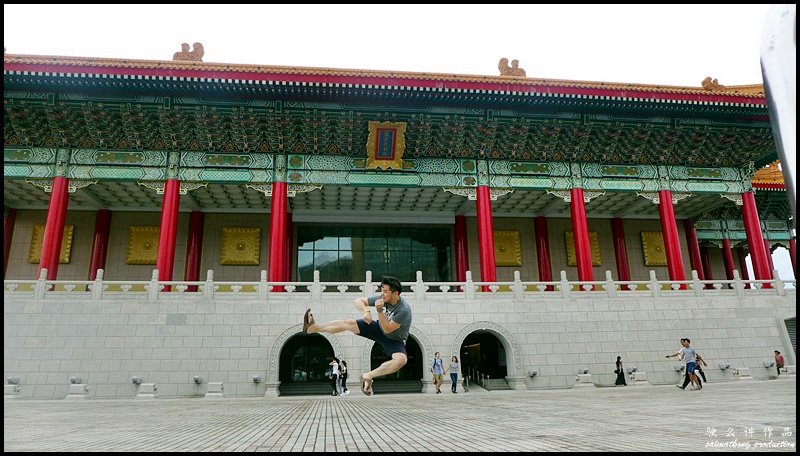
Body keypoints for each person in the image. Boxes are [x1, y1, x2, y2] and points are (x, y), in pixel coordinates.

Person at [302, 276, 412, 396]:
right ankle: (313, 328)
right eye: (382, 291)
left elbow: (388, 329)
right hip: (378, 328)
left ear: (395, 293)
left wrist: (379, 310)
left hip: (394, 339)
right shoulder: (382, 298)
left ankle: (368, 376)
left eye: (385, 292)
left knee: (401, 360)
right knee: (348, 323)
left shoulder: (404, 310)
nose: (382, 294)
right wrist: (366, 311)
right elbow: (358, 301)